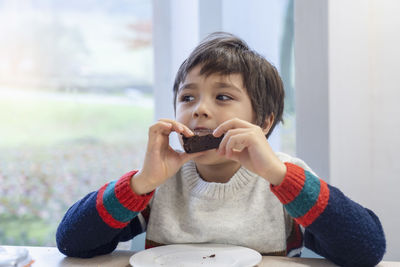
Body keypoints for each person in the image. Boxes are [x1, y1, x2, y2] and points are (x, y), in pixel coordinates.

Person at [56, 32, 386, 266]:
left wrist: (277, 174)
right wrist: (140, 183)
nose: (199, 109)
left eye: (223, 97)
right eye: (187, 97)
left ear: (264, 122)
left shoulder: (286, 180)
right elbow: (73, 242)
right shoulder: (157, 182)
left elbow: (366, 249)